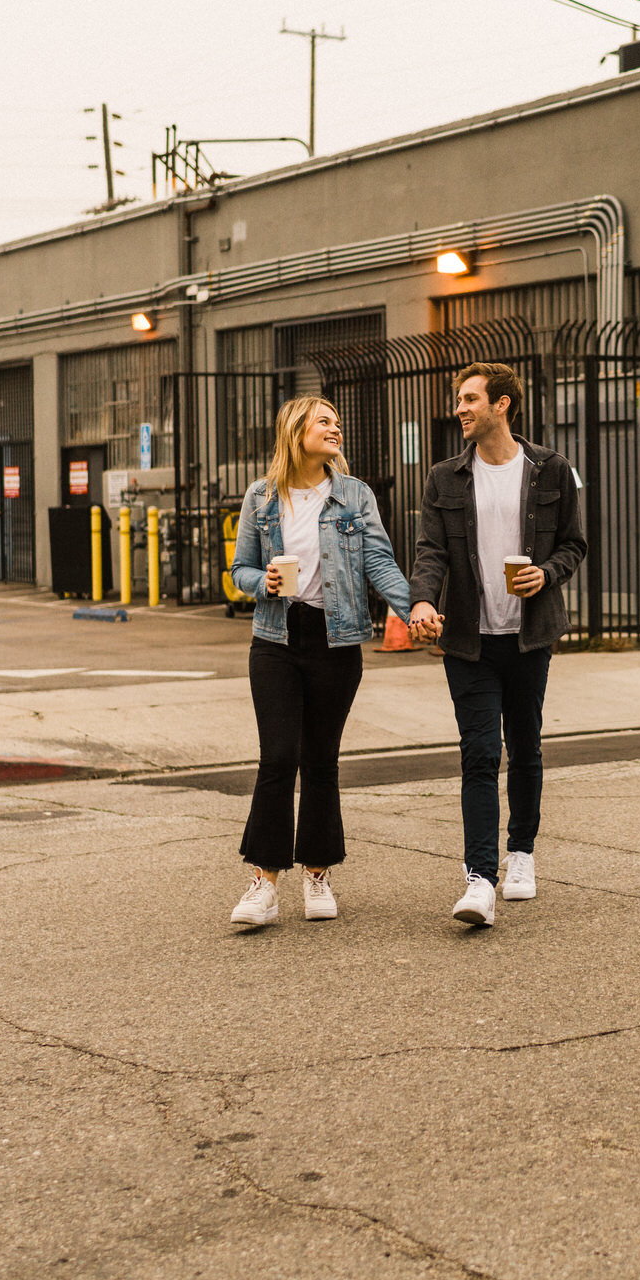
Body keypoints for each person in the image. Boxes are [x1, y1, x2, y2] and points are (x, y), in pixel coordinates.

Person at [409, 362, 586, 927]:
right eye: (458, 400)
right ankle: (480, 878)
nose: (459, 408)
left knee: (526, 747)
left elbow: (574, 544)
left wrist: (548, 574)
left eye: (469, 399)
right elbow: (431, 551)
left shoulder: (550, 469)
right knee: (480, 754)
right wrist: (421, 602)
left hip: (529, 635)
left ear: (501, 405)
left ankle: (522, 855)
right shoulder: (445, 477)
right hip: (470, 638)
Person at [228, 395, 411, 927]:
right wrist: (260, 581)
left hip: (336, 640)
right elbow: (240, 569)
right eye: (324, 421)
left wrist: (414, 607)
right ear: (296, 430)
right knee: (278, 758)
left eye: (337, 422)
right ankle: (264, 883)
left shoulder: (354, 495)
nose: (336, 429)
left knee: (321, 761)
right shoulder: (261, 498)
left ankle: (317, 872)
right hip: (276, 638)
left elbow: (379, 559)